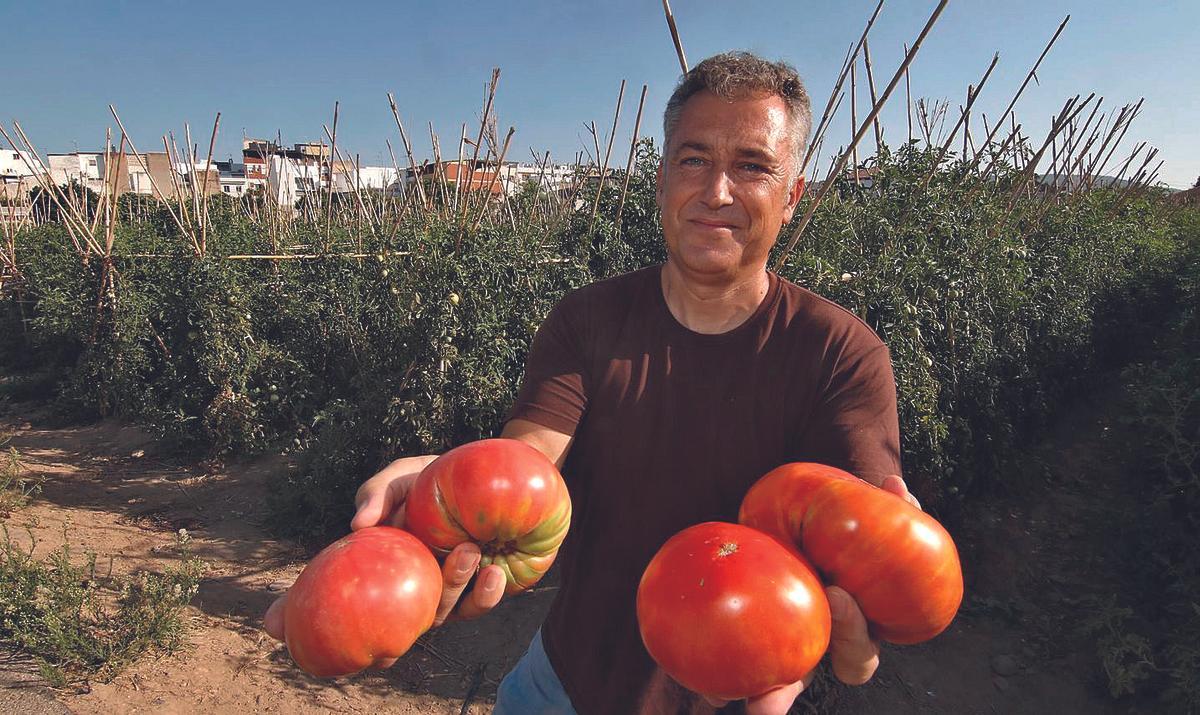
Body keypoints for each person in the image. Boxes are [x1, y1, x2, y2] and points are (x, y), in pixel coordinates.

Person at [265, 51, 919, 714]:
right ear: (662, 179)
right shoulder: (589, 320)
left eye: (752, 165)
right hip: (557, 687)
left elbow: (865, 560)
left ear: (792, 194)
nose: (717, 190)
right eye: (693, 159)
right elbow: (526, 468)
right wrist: (441, 489)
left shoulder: (841, 355)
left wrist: (870, 618)